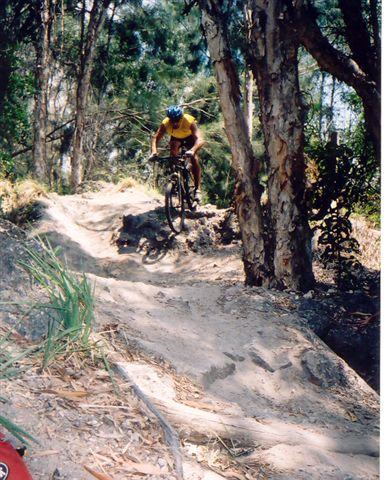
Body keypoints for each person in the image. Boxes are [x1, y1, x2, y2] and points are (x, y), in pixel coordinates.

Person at [150, 105, 204, 202]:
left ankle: (197, 189)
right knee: (173, 152)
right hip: (176, 138)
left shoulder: (188, 121)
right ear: (169, 119)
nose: (175, 123)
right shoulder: (166, 123)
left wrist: (192, 150)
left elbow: (199, 139)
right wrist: (154, 152)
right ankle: (175, 179)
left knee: (194, 159)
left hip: (190, 138)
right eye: (172, 120)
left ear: (181, 117)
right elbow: (155, 138)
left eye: (177, 120)